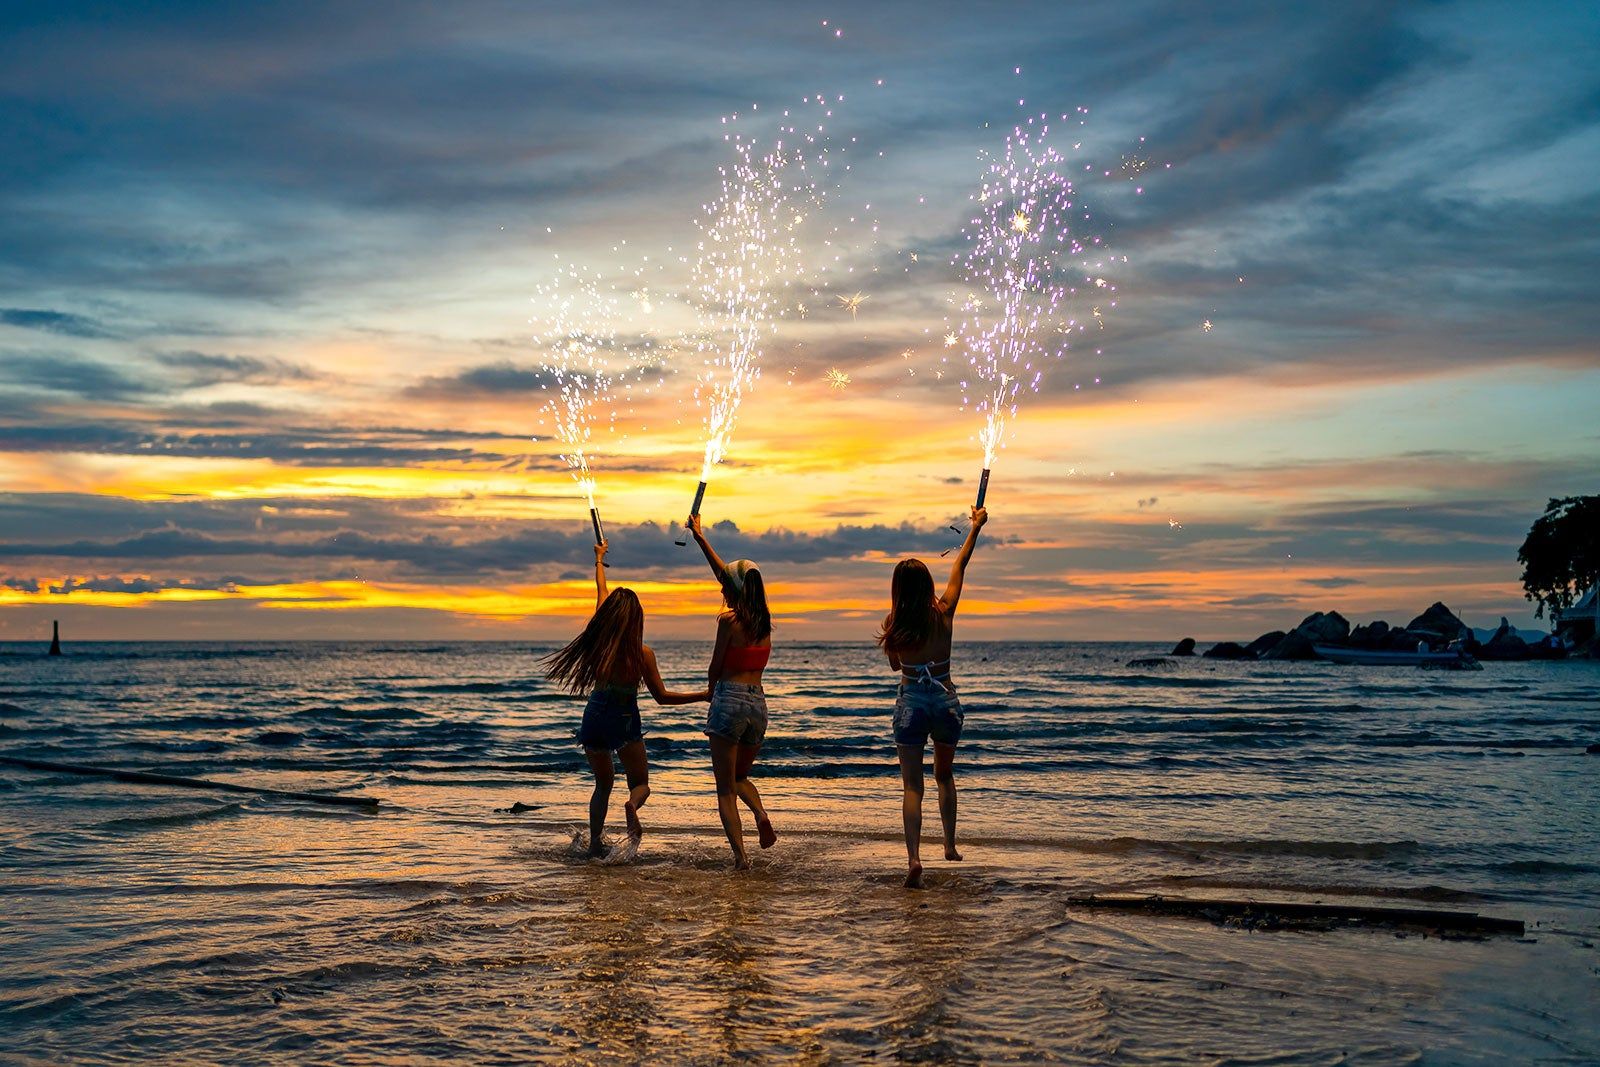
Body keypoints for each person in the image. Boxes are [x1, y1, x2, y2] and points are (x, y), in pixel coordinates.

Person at [543, 540, 708, 857]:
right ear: (637, 619)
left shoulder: (599, 644)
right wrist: (702, 695)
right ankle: (632, 805)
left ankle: (594, 845)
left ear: (610, 617)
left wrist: (598, 560)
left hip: (594, 716)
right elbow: (661, 697)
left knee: (602, 785)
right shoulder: (642, 654)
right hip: (624, 719)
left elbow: (600, 593)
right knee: (640, 783)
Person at [877, 505, 988, 888]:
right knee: (944, 775)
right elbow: (961, 564)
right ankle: (950, 845)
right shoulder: (945, 611)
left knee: (912, 786)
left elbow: (896, 668)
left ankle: (913, 858)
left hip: (911, 705)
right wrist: (975, 528)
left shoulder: (894, 624)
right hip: (945, 703)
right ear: (927, 585)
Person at [687, 513, 776, 870]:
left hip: (730, 700)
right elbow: (726, 575)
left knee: (725, 788)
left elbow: (715, 665)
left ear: (735, 589)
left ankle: (741, 859)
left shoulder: (729, 622)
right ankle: (760, 812)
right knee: (740, 777)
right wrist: (700, 537)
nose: (721, 587)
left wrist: (710, 691)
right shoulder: (766, 624)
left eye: (727, 585)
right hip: (758, 706)